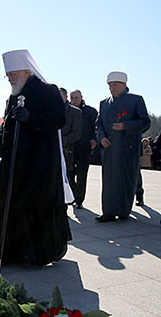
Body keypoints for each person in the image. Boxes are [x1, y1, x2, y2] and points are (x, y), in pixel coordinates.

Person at [0, 49, 71, 266]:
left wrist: (31, 118)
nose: (10, 79)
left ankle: (37, 255)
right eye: (8, 76)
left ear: (27, 70)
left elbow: (59, 119)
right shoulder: (13, 95)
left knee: (36, 207)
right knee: (14, 206)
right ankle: (13, 252)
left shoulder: (48, 90)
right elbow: (7, 124)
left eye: (13, 74)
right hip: (15, 162)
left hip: (39, 163)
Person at [95, 71, 150, 222]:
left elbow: (145, 122)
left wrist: (126, 126)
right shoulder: (104, 103)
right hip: (110, 149)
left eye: (115, 85)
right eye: (110, 85)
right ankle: (108, 211)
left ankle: (123, 210)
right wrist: (101, 137)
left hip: (128, 148)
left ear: (124, 85)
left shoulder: (136, 100)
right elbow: (98, 124)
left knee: (126, 179)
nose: (112, 88)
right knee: (109, 181)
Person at [69, 89, 98, 209]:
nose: (74, 100)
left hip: (84, 147)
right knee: (69, 174)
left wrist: (93, 139)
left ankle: (79, 199)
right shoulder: (68, 111)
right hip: (70, 147)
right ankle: (73, 194)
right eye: (72, 98)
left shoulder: (90, 112)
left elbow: (96, 127)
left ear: (81, 97)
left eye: (76, 98)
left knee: (82, 175)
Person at [60, 88, 82, 196]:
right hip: (51, 150)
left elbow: (76, 133)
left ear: (65, 97)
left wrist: (61, 142)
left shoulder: (75, 112)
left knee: (68, 176)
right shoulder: (51, 110)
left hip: (67, 148)